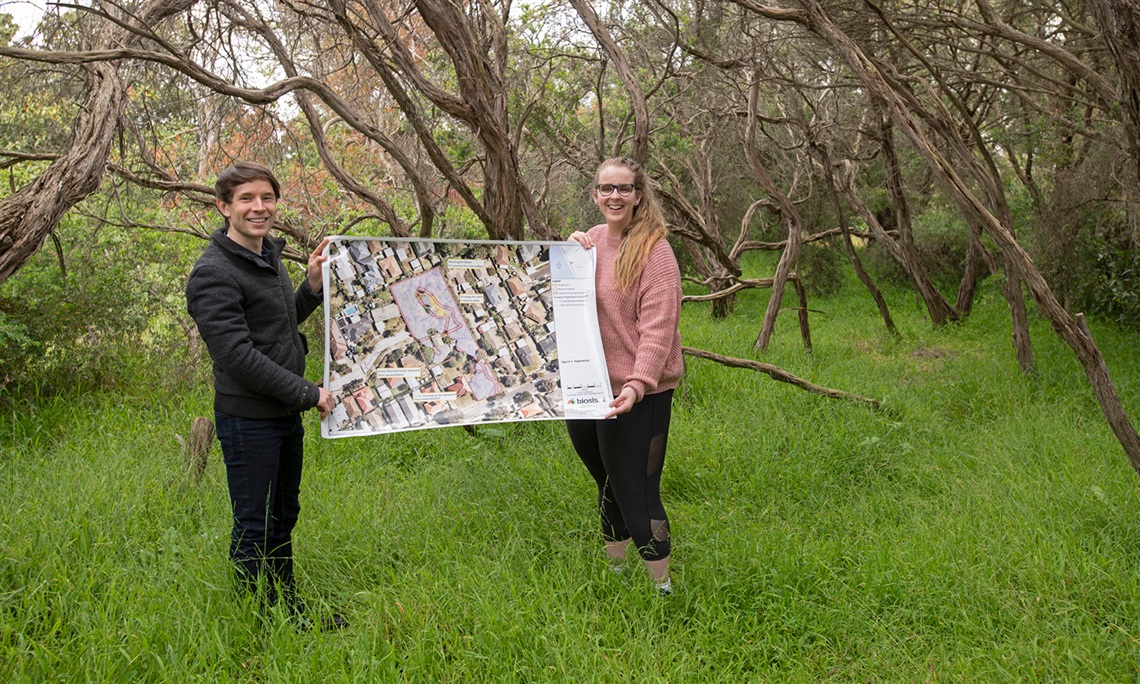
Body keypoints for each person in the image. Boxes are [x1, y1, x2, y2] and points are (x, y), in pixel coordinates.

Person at [185, 161, 344, 627]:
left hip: (282, 413)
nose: (260, 208)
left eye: (267, 197)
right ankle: (257, 620)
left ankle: (287, 607)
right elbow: (239, 356)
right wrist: (308, 393)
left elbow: (276, 327)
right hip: (249, 417)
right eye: (247, 199)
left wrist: (312, 286)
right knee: (254, 524)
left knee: (283, 514)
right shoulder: (213, 273)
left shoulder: (267, 255)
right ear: (224, 207)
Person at [567, 157, 683, 594]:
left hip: (639, 393)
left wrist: (637, 386)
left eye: (624, 189)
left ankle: (663, 590)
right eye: (606, 188)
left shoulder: (656, 251)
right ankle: (615, 573)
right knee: (607, 481)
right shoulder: (591, 242)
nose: (615, 196)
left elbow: (658, 328)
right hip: (587, 388)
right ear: (595, 194)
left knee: (638, 491)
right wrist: (566, 256)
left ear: (638, 195)